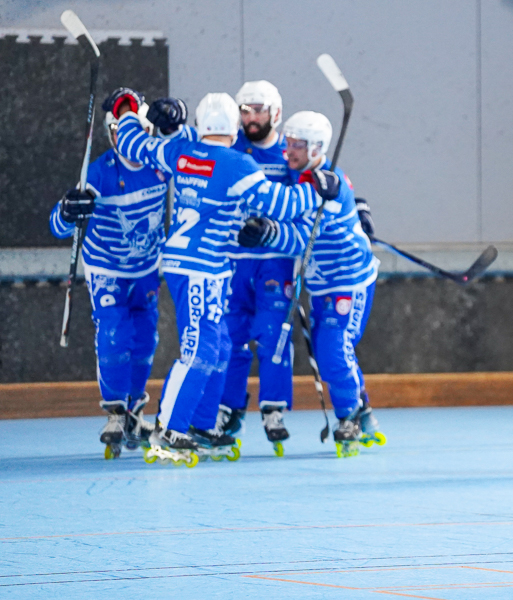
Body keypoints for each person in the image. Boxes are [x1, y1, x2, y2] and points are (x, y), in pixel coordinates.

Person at [109, 89, 340, 464]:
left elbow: (135, 144)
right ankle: (169, 429)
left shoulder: (181, 152)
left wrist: (127, 110)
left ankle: (201, 426)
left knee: (216, 347)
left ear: (200, 125)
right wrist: (318, 188)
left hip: (207, 268)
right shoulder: (236, 165)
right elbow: (282, 205)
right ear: (234, 128)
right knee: (199, 350)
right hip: (200, 268)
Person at [238, 111, 384, 458]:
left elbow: (302, 239)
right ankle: (362, 408)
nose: (289, 150)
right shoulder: (306, 173)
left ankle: (348, 417)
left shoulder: (325, 185)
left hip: (348, 281)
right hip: (320, 284)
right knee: (327, 348)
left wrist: (267, 233)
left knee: (334, 348)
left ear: (317, 147)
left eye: (298, 145)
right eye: (287, 143)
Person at [49, 94, 163, 459]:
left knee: (146, 338)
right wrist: (69, 210)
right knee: (114, 332)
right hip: (108, 268)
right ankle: (115, 410)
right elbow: (56, 226)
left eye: (130, 129)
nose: (122, 138)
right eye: (115, 131)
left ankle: (134, 410)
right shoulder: (98, 171)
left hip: (146, 268)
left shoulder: (161, 163)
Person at [216, 80, 296, 451]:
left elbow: (308, 196)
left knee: (272, 334)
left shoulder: (288, 153)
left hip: (275, 264)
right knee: (230, 337)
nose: (250, 118)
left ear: (275, 112)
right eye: (244, 111)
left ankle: (273, 407)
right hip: (235, 261)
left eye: (258, 110)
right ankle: (228, 409)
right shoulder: (233, 151)